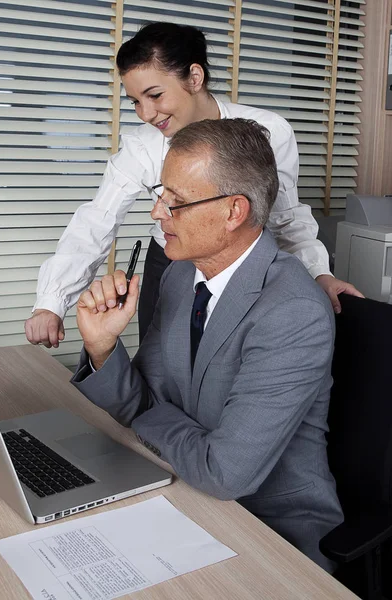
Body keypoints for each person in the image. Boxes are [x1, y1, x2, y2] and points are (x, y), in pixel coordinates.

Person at [71, 118, 343, 572]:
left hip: (270, 532)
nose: (158, 213)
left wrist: (146, 415)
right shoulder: (182, 275)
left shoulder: (293, 311)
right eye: (161, 195)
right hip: (182, 491)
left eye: (175, 202)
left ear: (234, 211)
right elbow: (142, 402)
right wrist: (102, 347)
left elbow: (224, 473)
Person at [24, 21, 362, 349]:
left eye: (154, 95)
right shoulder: (142, 146)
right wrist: (51, 302)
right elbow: (96, 222)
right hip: (172, 265)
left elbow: (286, 218)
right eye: (136, 102)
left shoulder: (268, 130)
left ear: (195, 77)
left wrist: (319, 273)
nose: (145, 113)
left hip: (243, 265)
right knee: (158, 370)